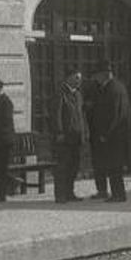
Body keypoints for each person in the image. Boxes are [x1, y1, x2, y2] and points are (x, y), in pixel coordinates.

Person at [89, 60, 131, 202]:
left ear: (104, 75)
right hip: (117, 134)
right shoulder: (118, 87)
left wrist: (105, 134)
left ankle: (118, 195)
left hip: (112, 135)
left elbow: (113, 114)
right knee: (114, 165)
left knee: (114, 166)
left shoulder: (112, 89)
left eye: (97, 76)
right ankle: (117, 193)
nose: (96, 79)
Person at [50, 68, 86, 203]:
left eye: (80, 78)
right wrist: (59, 132)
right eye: (76, 78)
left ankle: (70, 192)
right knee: (62, 167)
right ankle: (60, 195)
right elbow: (56, 115)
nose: (79, 81)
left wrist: (83, 132)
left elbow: (81, 116)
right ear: (68, 78)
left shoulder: (78, 95)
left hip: (75, 137)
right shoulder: (60, 94)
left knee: (73, 167)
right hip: (64, 138)